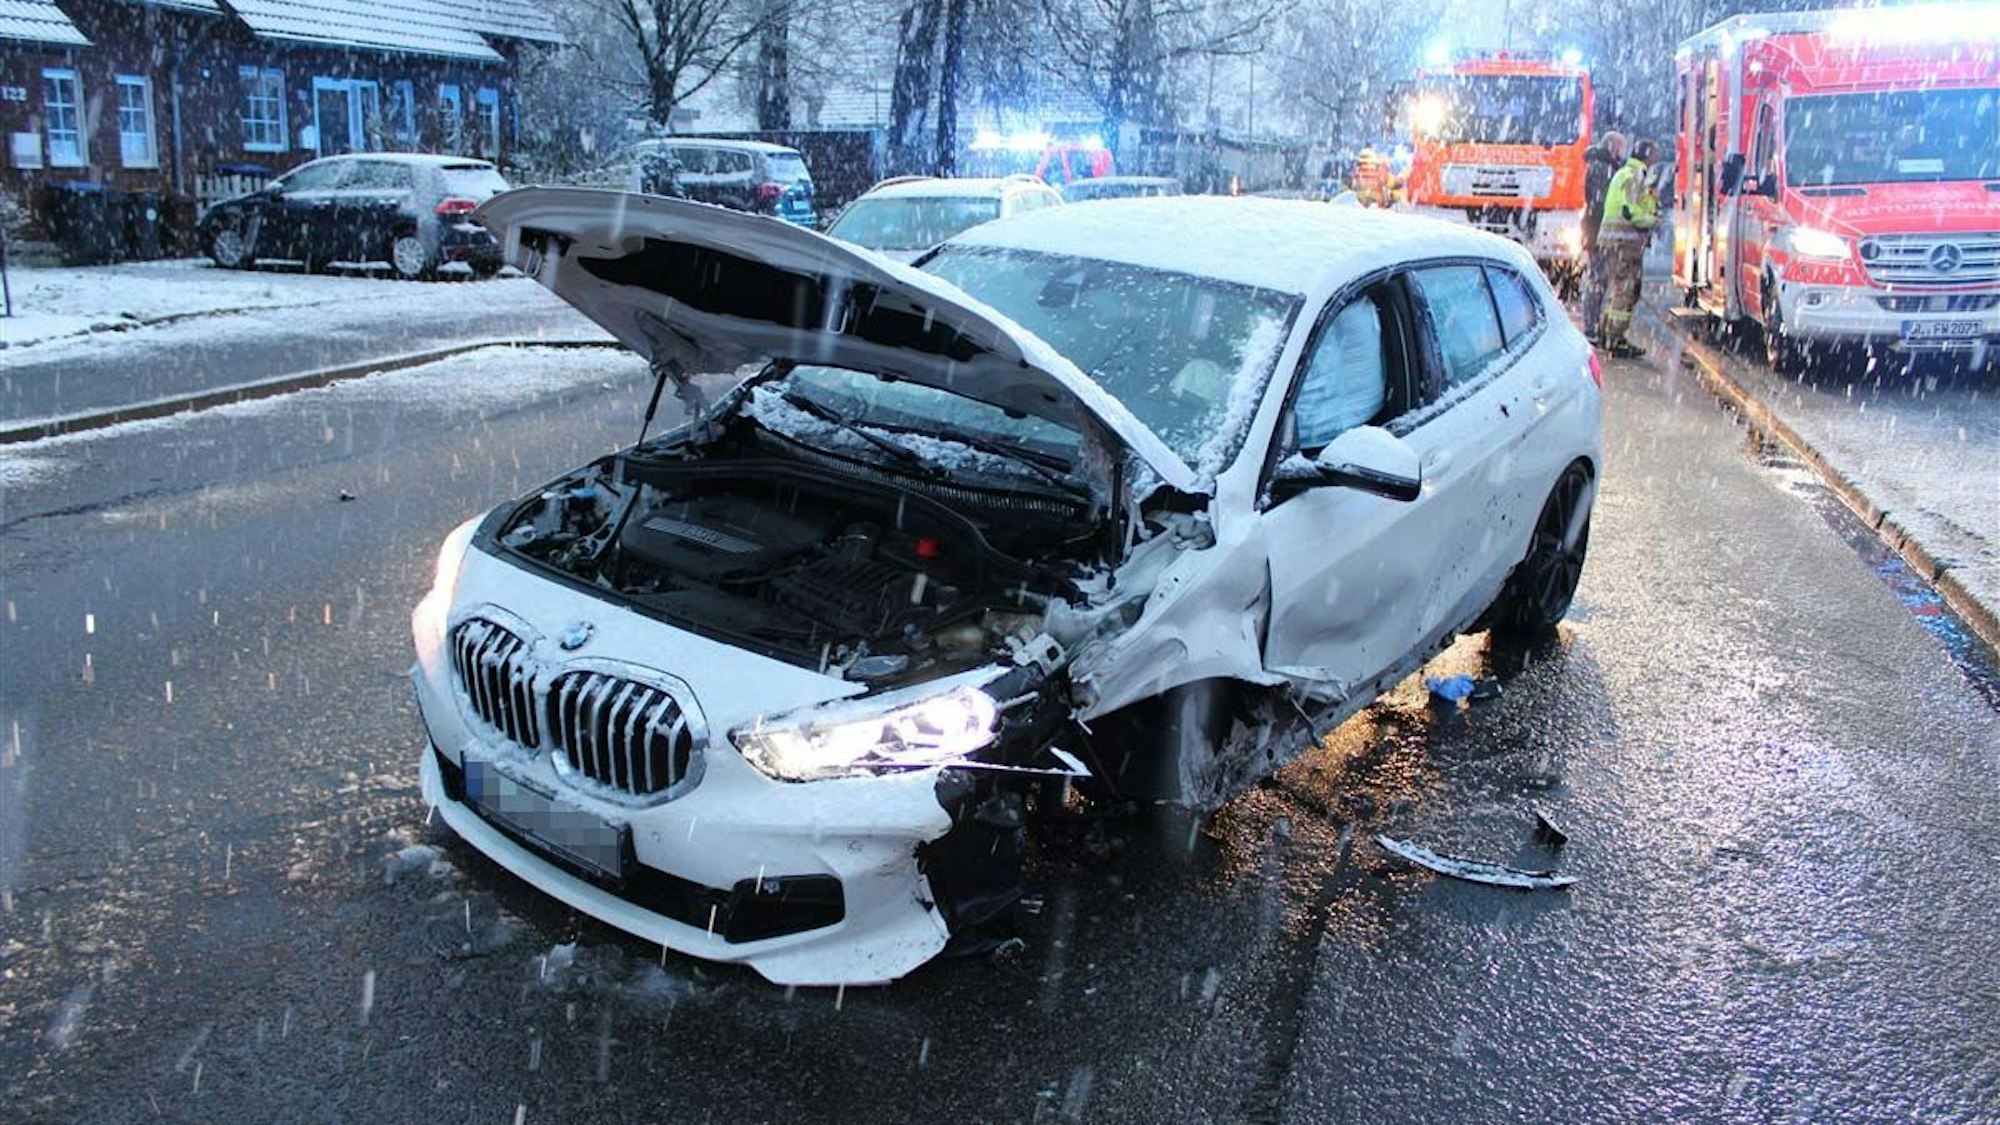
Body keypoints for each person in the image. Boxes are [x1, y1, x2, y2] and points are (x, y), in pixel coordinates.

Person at [1597, 138, 1660, 358]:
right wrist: (1653, 221)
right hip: (1624, 244)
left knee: (1618, 289)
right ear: (1648, 155)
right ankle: (1616, 339)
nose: (1657, 159)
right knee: (1625, 291)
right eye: (1655, 154)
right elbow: (1630, 212)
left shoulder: (1627, 173)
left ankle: (1607, 333)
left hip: (1616, 243)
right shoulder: (1634, 177)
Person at [1579, 130, 1628, 343]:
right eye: (1620, 148)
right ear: (1612, 147)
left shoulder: (1599, 165)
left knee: (1597, 278)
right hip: (1598, 232)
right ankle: (1592, 327)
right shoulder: (1603, 169)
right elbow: (1600, 205)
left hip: (1594, 230)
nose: (1621, 153)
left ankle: (1594, 325)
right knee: (1597, 279)